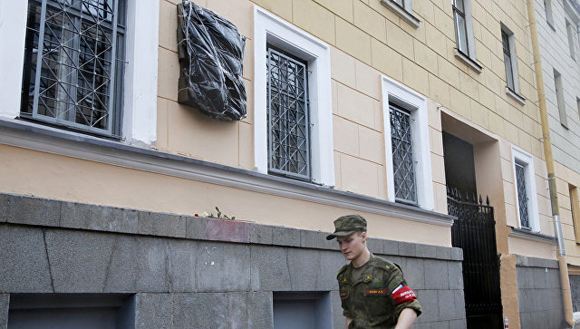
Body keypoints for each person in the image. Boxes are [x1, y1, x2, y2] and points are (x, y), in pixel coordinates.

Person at [327, 214, 422, 329]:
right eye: (340, 242)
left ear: (363, 236)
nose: (343, 247)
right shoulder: (344, 276)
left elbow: (409, 306)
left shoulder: (386, 271)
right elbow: (350, 315)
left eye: (348, 240)